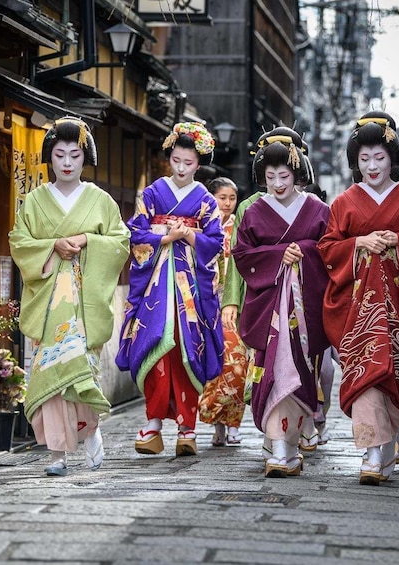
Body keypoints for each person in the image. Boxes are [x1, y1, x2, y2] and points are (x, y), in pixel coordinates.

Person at [318, 111, 399, 485]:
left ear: (393, 158)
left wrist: (398, 241)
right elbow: (327, 248)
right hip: (357, 311)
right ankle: (373, 453)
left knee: (393, 378)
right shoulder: (344, 202)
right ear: (355, 163)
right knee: (367, 376)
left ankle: (388, 444)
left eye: (379, 158)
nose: (372, 166)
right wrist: (358, 242)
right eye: (364, 159)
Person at [9, 117, 130, 477]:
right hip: (49, 307)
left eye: (74, 155)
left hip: (81, 304)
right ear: (50, 157)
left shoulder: (101, 200)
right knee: (49, 376)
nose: (66, 162)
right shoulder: (34, 201)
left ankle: (90, 430)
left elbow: (121, 242)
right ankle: (57, 454)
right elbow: (19, 242)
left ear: (84, 158)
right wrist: (52, 245)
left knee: (81, 374)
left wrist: (87, 241)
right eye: (59, 154)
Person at [116, 122, 224, 457]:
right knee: (154, 346)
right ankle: (153, 423)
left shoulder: (206, 200)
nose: (180, 168)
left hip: (189, 284)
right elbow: (136, 233)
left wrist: (189, 236)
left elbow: (215, 241)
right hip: (156, 284)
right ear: (169, 158)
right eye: (176, 160)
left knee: (185, 349)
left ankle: (187, 426)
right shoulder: (150, 193)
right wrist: (165, 237)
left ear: (199, 163)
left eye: (188, 163)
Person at [233, 126, 331, 478]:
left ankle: (292, 445)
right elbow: (242, 255)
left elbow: (329, 251)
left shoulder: (317, 209)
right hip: (271, 309)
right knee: (272, 371)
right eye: (270, 175)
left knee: (302, 372)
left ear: (297, 174)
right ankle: (278, 447)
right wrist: (279, 255)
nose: (277, 182)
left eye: (284, 175)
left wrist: (302, 251)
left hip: (304, 310)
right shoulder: (255, 211)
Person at [198, 177, 249, 447]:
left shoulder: (240, 228)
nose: (227, 204)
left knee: (238, 363)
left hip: (234, 303)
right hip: (207, 303)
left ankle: (233, 423)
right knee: (213, 365)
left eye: (231, 198)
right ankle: (217, 423)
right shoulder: (202, 227)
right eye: (222, 198)